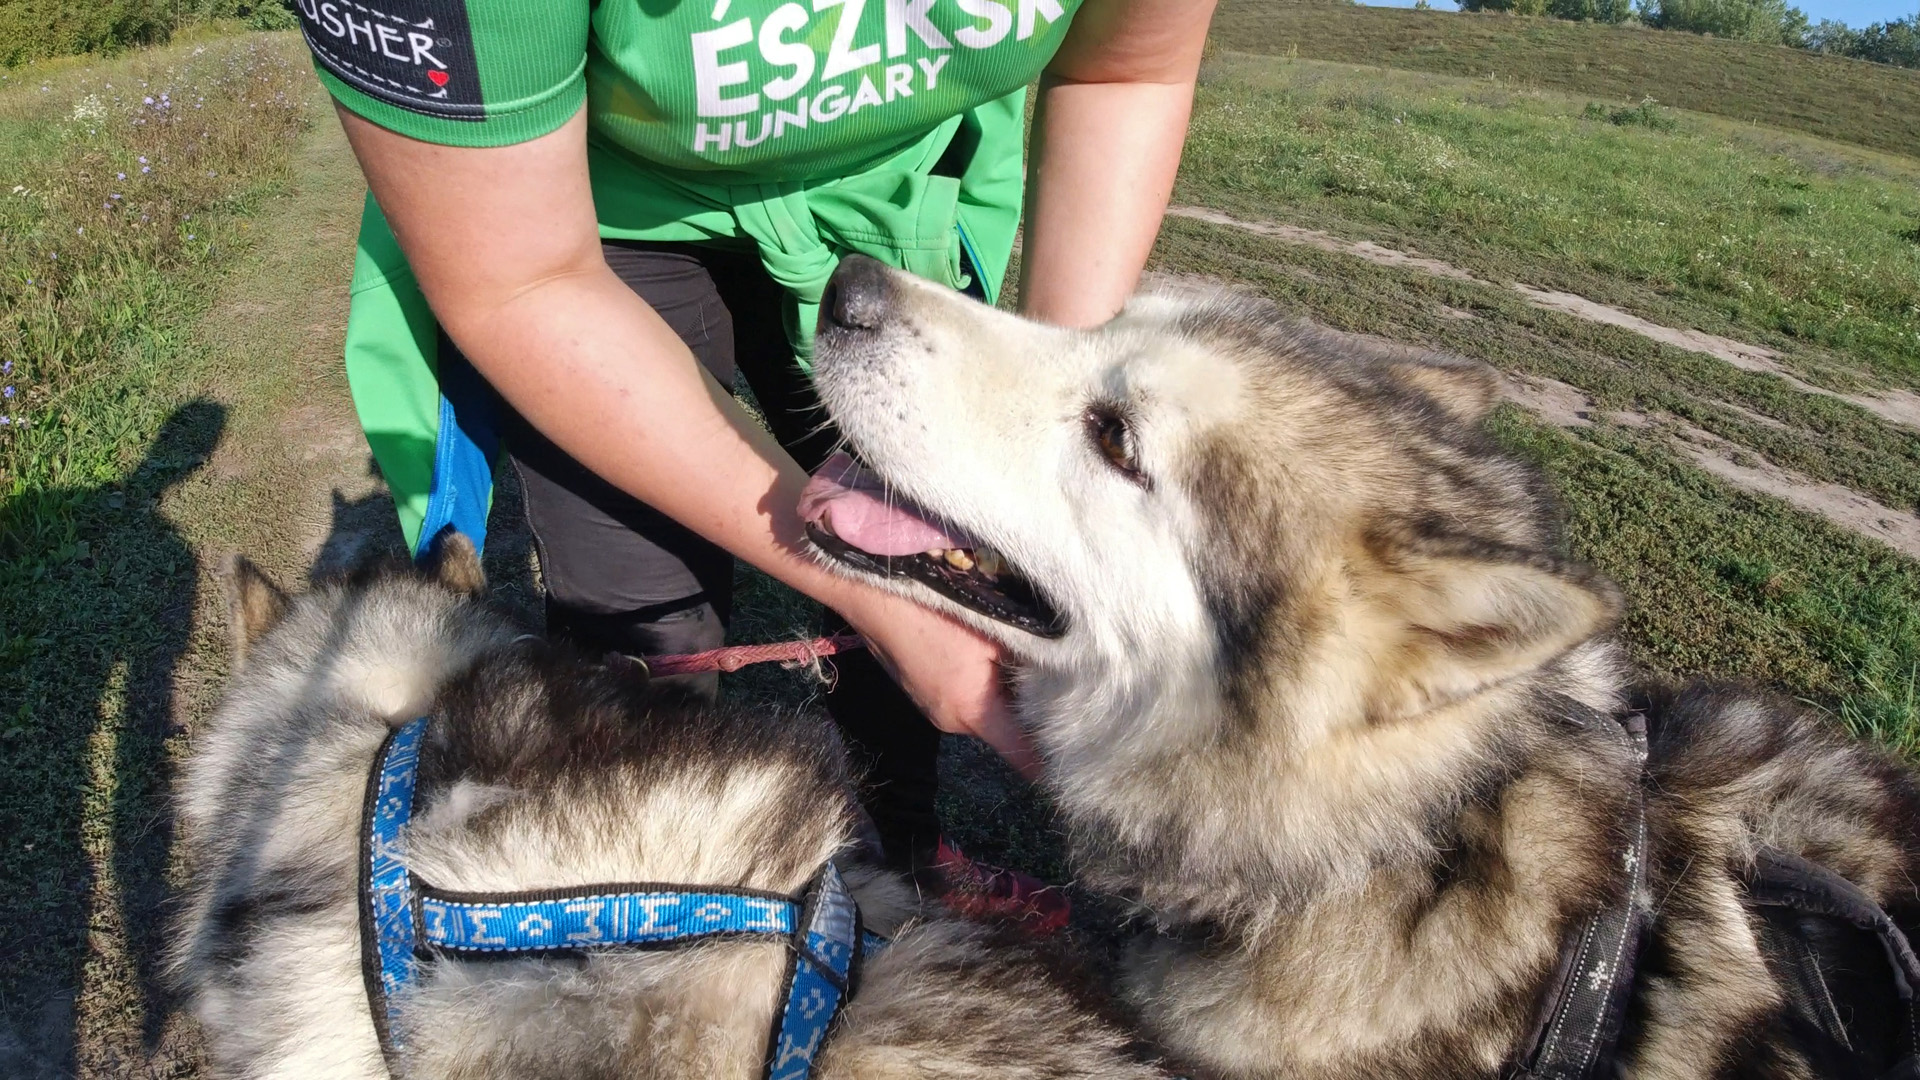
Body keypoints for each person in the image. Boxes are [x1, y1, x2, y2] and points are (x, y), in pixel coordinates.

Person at [292, 0, 1215, 914]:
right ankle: (672, 907)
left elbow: (1124, 69)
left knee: (928, 574)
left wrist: (1039, 430)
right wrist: (855, 587)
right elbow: (520, 278)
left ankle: (902, 857)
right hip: (594, 227)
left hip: (882, 198)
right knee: (643, 636)